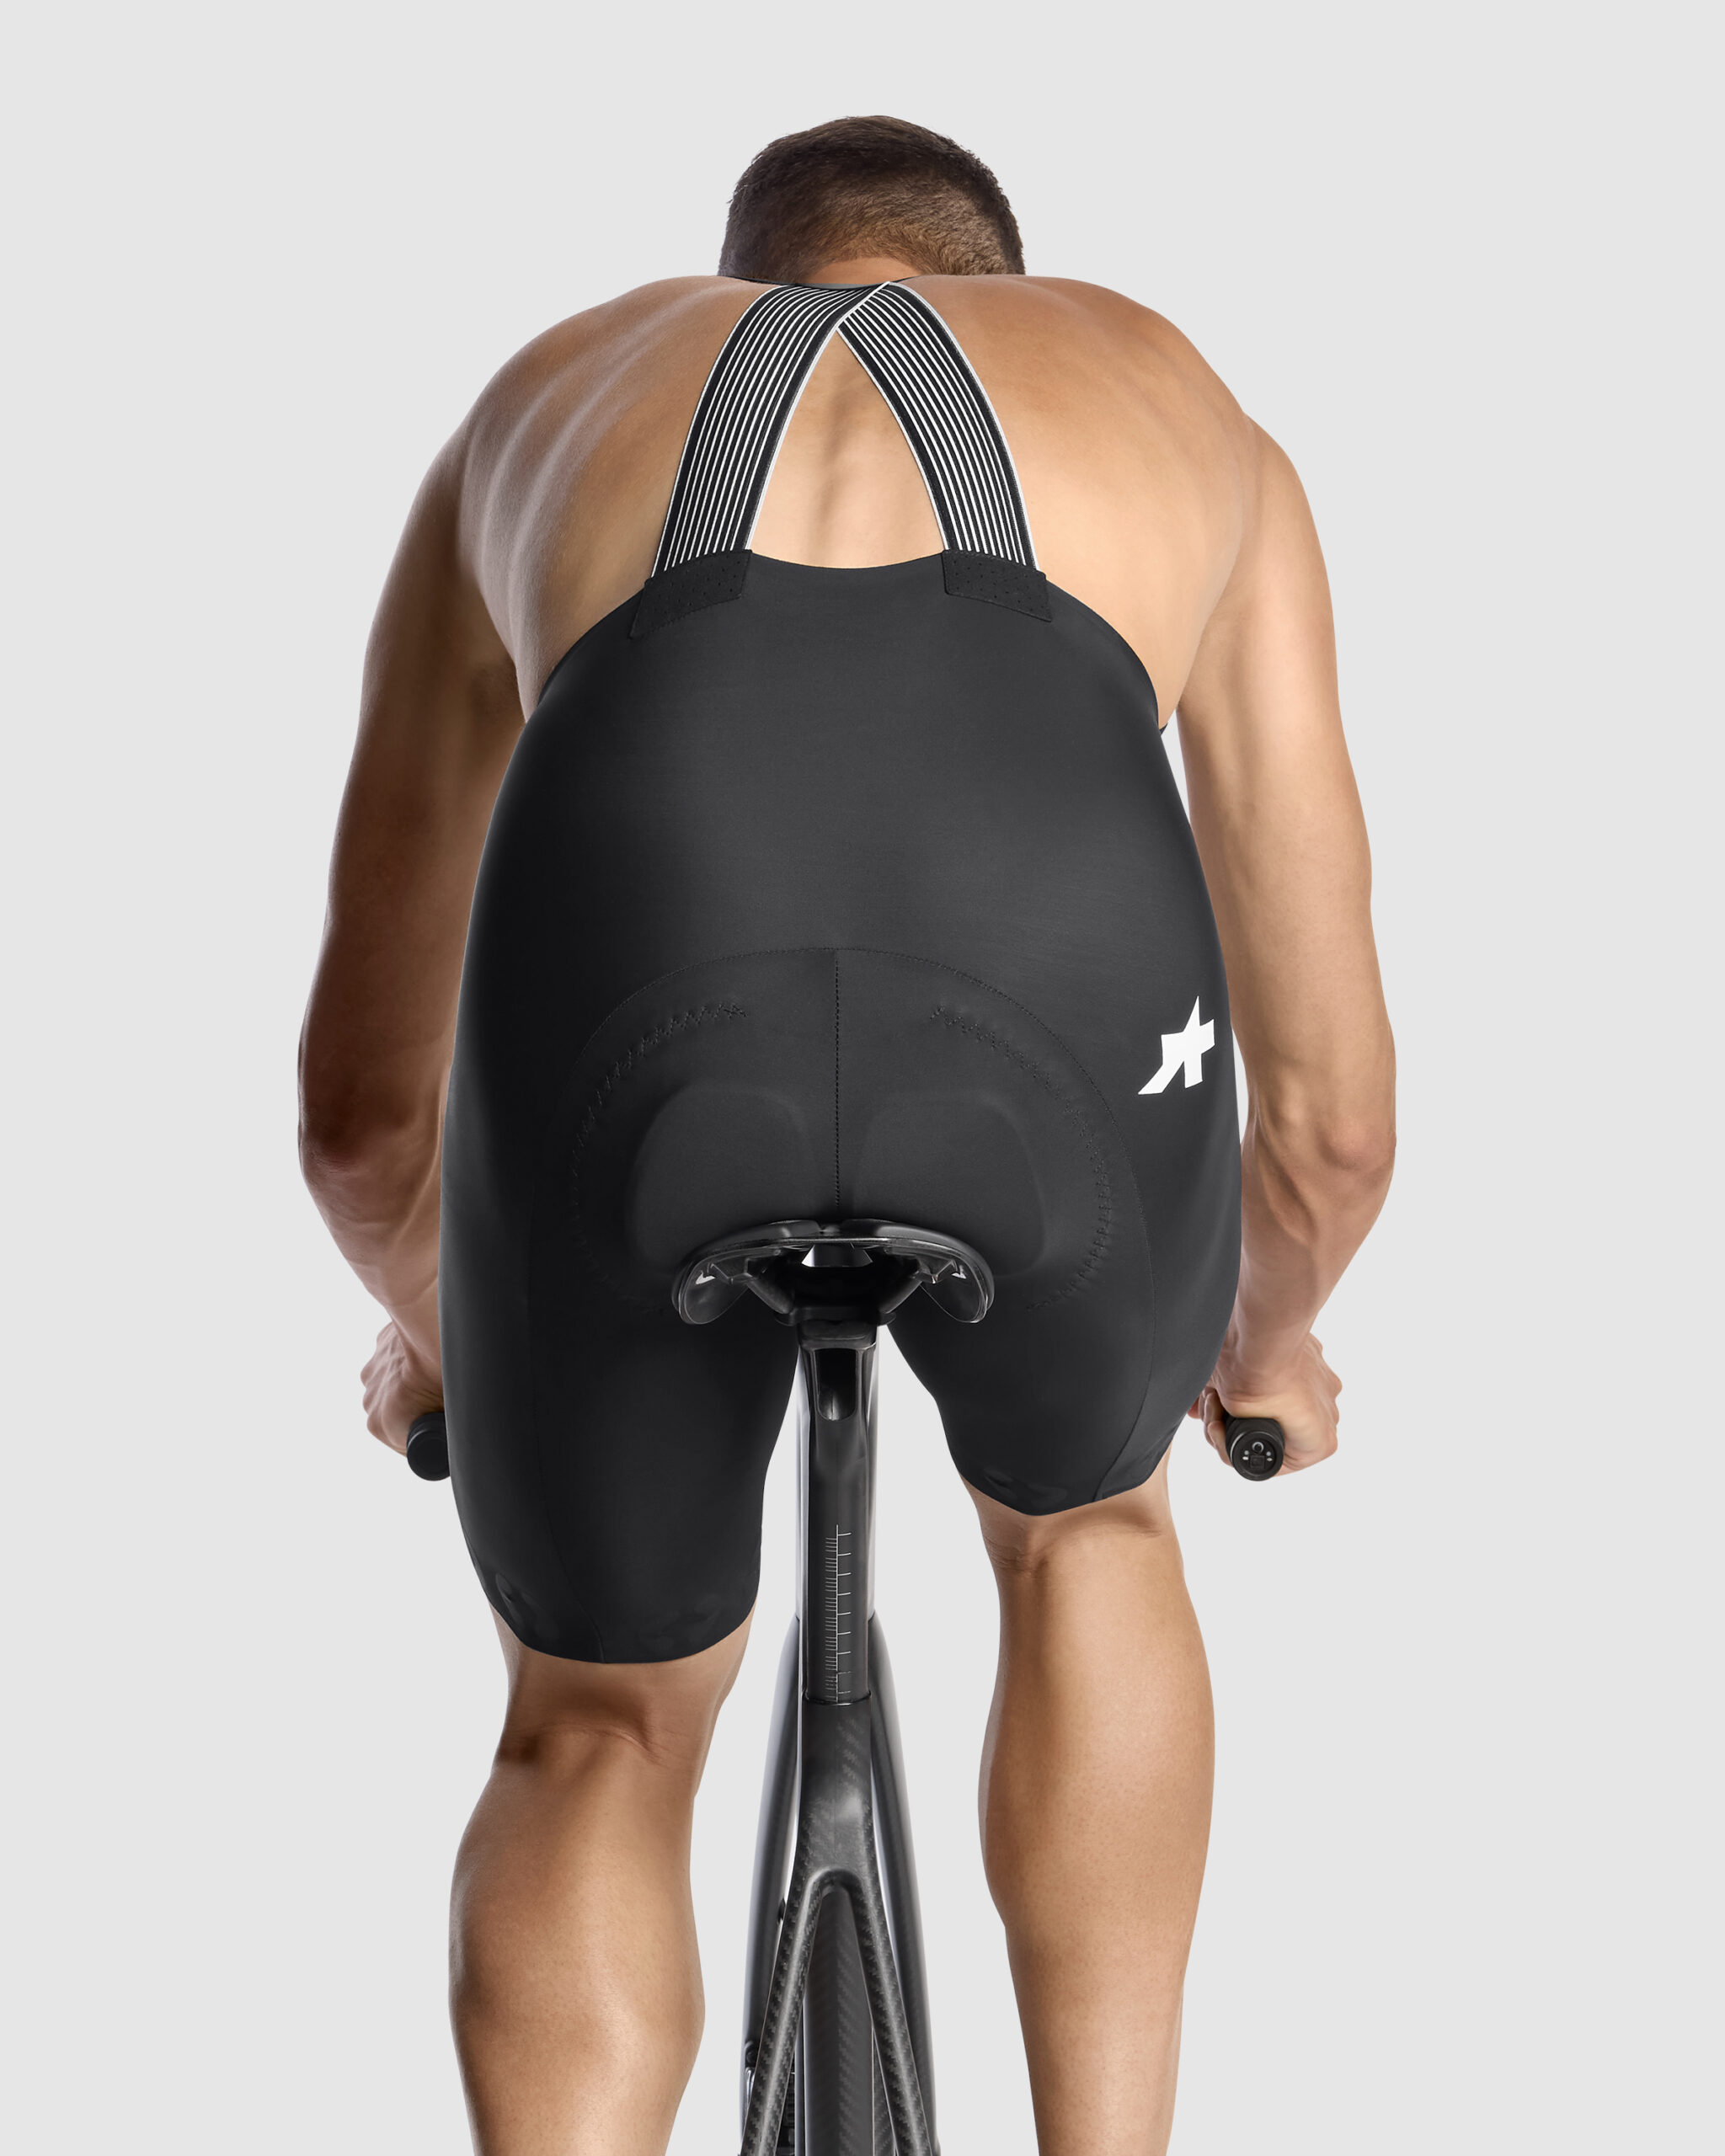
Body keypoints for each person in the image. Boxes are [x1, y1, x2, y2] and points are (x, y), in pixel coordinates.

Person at [299, 114, 1395, 2156]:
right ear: (1008, 292)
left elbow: (362, 1119)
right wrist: (1256, 1344)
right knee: (1089, 1531)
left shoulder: (549, 401)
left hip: (637, 998)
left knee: (598, 1717)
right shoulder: (1175, 401)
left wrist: (450, 1327)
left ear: (734, 281)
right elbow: (1329, 1119)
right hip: (1051, 1000)